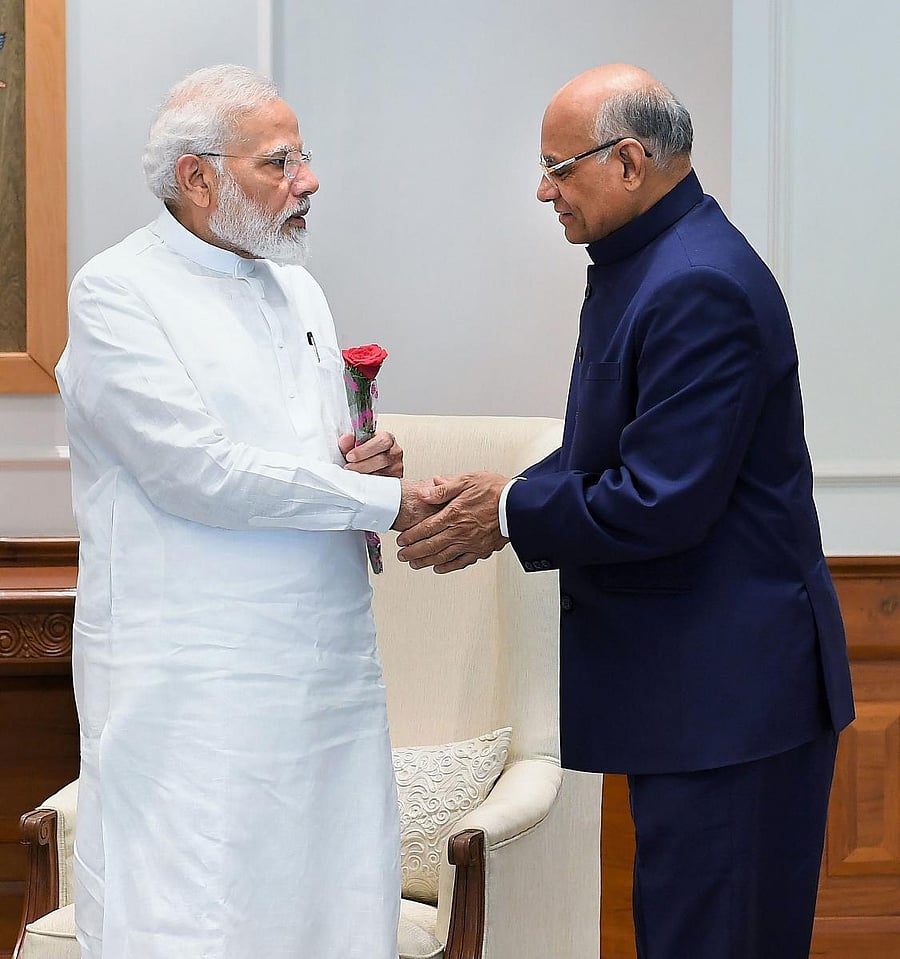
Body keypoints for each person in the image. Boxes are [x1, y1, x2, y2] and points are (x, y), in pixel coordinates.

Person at [397, 64, 855, 959]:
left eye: (557, 166)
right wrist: (501, 499)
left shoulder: (697, 283)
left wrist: (514, 511)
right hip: (694, 697)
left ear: (630, 161)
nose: (543, 189)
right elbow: (612, 453)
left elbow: (662, 499)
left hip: (733, 704)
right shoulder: (644, 263)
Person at [56, 64, 433, 959]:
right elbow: (203, 474)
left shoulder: (298, 288)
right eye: (281, 161)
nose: (309, 181)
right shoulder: (115, 293)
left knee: (336, 906)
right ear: (198, 177)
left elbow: (307, 452)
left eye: (304, 157)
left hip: (324, 672)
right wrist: (382, 495)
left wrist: (361, 461)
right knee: (200, 914)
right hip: (195, 685)